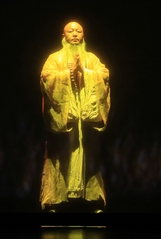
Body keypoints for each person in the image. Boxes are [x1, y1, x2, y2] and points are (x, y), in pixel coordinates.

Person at [40, 21, 110, 212]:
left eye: (78, 31)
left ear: (83, 36)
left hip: (85, 122)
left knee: (89, 158)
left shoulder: (92, 59)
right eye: (70, 31)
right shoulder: (54, 58)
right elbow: (46, 78)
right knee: (59, 157)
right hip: (66, 120)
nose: (74, 34)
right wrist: (67, 74)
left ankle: (93, 200)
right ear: (63, 36)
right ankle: (54, 200)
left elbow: (104, 76)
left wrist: (85, 73)